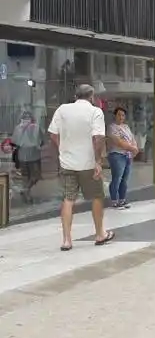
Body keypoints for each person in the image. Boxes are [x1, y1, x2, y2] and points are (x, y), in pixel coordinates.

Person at [48, 83, 114, 251]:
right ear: (92, 97)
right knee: (97, 196)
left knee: (68, 199)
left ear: (76, 96)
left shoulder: (62, 109)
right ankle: (100, 234)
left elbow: (53, 134)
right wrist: (98, 161)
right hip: (88, 163)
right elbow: (98, 138)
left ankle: (66, 240)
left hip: (67, 162)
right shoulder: (95, 112)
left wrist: (63, 148)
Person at [107, 107, 139, 208]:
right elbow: (118, 142)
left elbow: (132, 138)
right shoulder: (112, 127)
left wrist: (135, 148)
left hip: (127, 156)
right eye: (119, 115)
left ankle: (122, 200)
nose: (121, 117)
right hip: (117, 155)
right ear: (115, 116)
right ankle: (114, 201)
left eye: (123, 115)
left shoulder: (126, 127)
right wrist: (132, 148)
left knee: (124, 179)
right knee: (117, 178)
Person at [12, 111, 42, 203]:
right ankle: (26, 191)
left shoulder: (17, 128)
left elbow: (14, 143)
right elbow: (42, 141)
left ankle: (26, 191)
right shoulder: (37, 127)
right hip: (34, 156)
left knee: (26, 176)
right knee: (35, 175)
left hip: (22, 156)